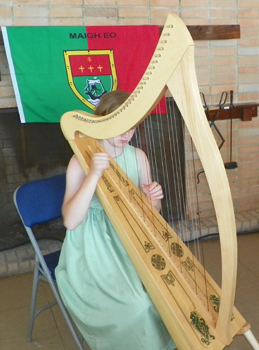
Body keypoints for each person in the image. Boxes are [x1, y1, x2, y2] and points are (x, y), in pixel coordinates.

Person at [55, 91, 177, 350]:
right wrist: (94, 175)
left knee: (168, 292)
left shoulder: (138, 156)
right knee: (137, 306)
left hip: (133, 239)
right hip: (94, 247)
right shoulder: (79, 161)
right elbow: (71, 222)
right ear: (102, 122)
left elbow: (152, 211)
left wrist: (153, 199)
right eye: (119, 127)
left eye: (131, 127)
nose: (125, 135)